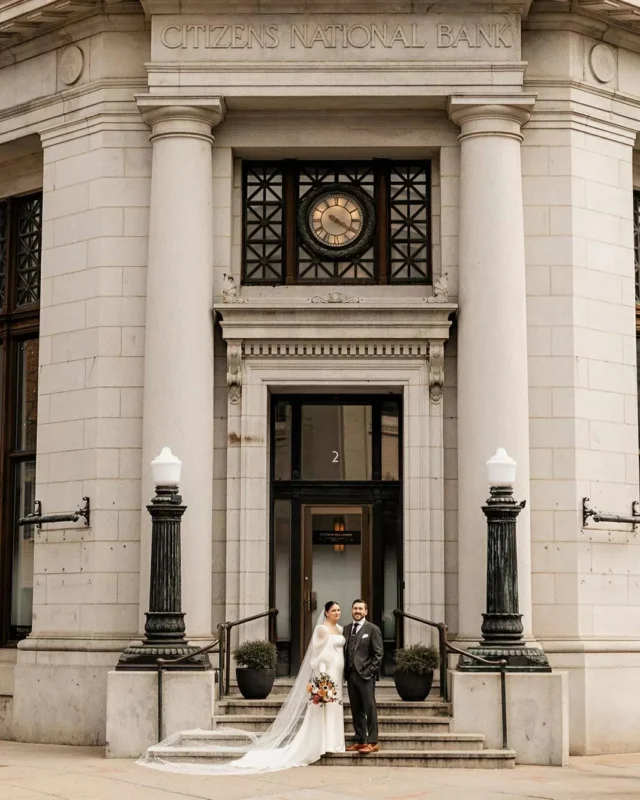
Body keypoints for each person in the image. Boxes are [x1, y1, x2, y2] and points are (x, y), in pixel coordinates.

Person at [138, 600, 345, 774]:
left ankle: (334, 742)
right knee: (322, 707)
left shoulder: (341, 629)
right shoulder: (321, 629)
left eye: (338, 610)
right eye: (333, 610)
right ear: (326, 612)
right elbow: (315, 655)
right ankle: (321, 743)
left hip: (338, 671)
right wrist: (323, 672)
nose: (336, 612)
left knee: (335, 706)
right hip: (325, 672)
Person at [343, 598, 384, 754]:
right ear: (352, 610)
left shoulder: (372, 629)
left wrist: (370, 672)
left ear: (366, 611)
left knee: (369, 707)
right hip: (350, 675)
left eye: (361, 609)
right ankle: (360, 740)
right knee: (356, 708)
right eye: (355, 608)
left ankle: (372, 742)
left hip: (366, 676)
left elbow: (379, 654)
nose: (357, 611)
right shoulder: (346, 629)